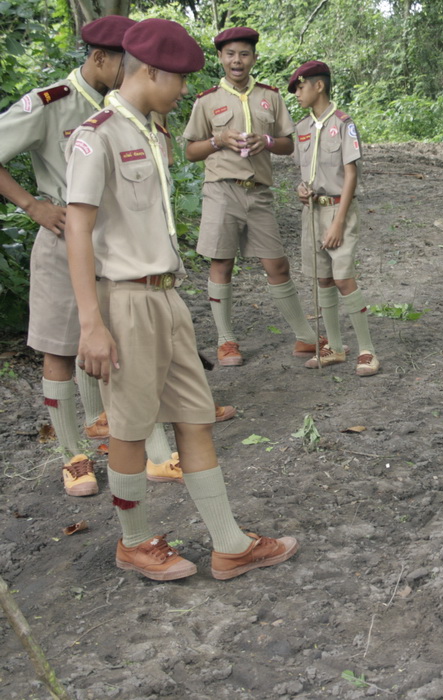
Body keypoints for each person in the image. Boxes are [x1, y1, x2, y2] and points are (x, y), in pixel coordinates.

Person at [64, 17, 298, 581]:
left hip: (167, 298)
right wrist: (92, 324)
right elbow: (77, 229)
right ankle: (135, 541)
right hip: (125, 301)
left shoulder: (152, 132)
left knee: (195, 418)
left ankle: (230, 544)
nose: (186, 90)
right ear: (150, 71)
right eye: (180, 80)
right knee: (128, 427)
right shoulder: (98, 135)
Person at [0, 15, 200, 496]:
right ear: (100, 57)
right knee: (60, 346)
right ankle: (73, 455)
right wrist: (32, 205)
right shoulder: (52, 103)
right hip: (66, 237)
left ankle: (148, 450)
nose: (132, 67)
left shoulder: (137, 110)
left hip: (122, 247)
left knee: (128, 351)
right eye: (123, 59)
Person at [183, 26, 320, 368]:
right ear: (220, 57)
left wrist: (267, 141)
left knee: (277, 264)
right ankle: (226, 341)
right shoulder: (207, 100)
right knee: (222, 263)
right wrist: (218, 140)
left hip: (258, 193)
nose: (237, 61)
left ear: (254, 58)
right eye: (230, 54)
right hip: (221, 190)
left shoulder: (270, 96)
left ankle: (305, 336)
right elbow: (190, 151)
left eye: (244, 54)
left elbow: (287, 144)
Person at [288, 61, 379, 375]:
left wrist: (339, 222)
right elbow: (305, 173)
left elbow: (351, 174)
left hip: (338, 210)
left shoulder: (343, 123)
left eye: (300, 87)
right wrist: (302, 190)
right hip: (312, 212)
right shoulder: (301, 128)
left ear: (319, 86)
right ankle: (335, 348)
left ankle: (367, 350)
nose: (297, 93)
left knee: (343, 278)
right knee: (323, 278)